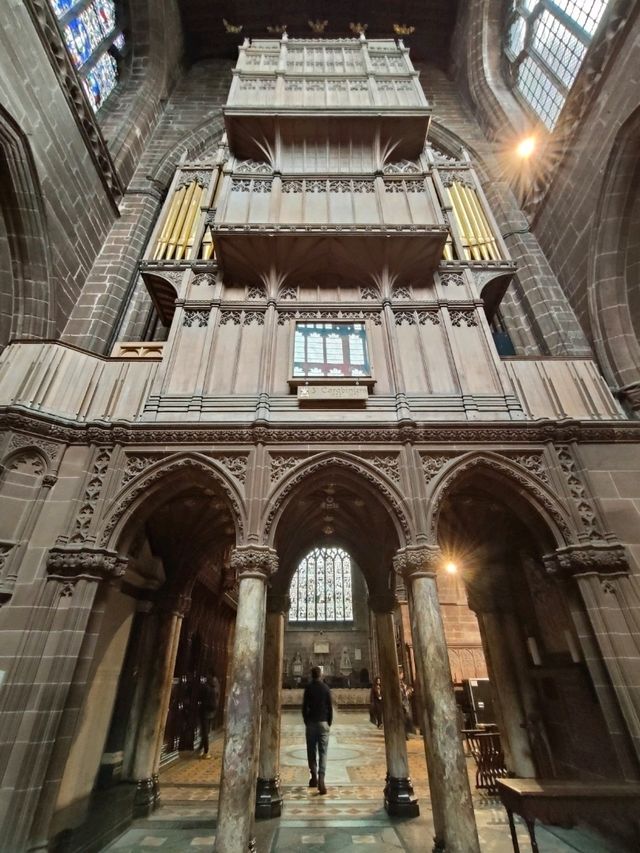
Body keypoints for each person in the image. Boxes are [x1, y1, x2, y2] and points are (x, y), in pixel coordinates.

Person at [302, 665, 333, 794]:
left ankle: (313, 776)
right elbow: (330, 707)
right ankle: (321, 778)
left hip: (311, 723)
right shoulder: (326, 688)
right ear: (321, 675)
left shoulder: (308, 688)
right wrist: (328, 722)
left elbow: (304, 707)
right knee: (323, 752)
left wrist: (306, 721)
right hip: (323, 722)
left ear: (311, 675)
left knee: (311, 751)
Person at [198, 672, 220, 759]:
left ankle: (206, 751)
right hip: (212, 712)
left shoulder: (205, 687)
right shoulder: (214, 687)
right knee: (206, 731)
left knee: (204, 732)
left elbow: (200, 698)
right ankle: (201, 748)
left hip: (205, 712)